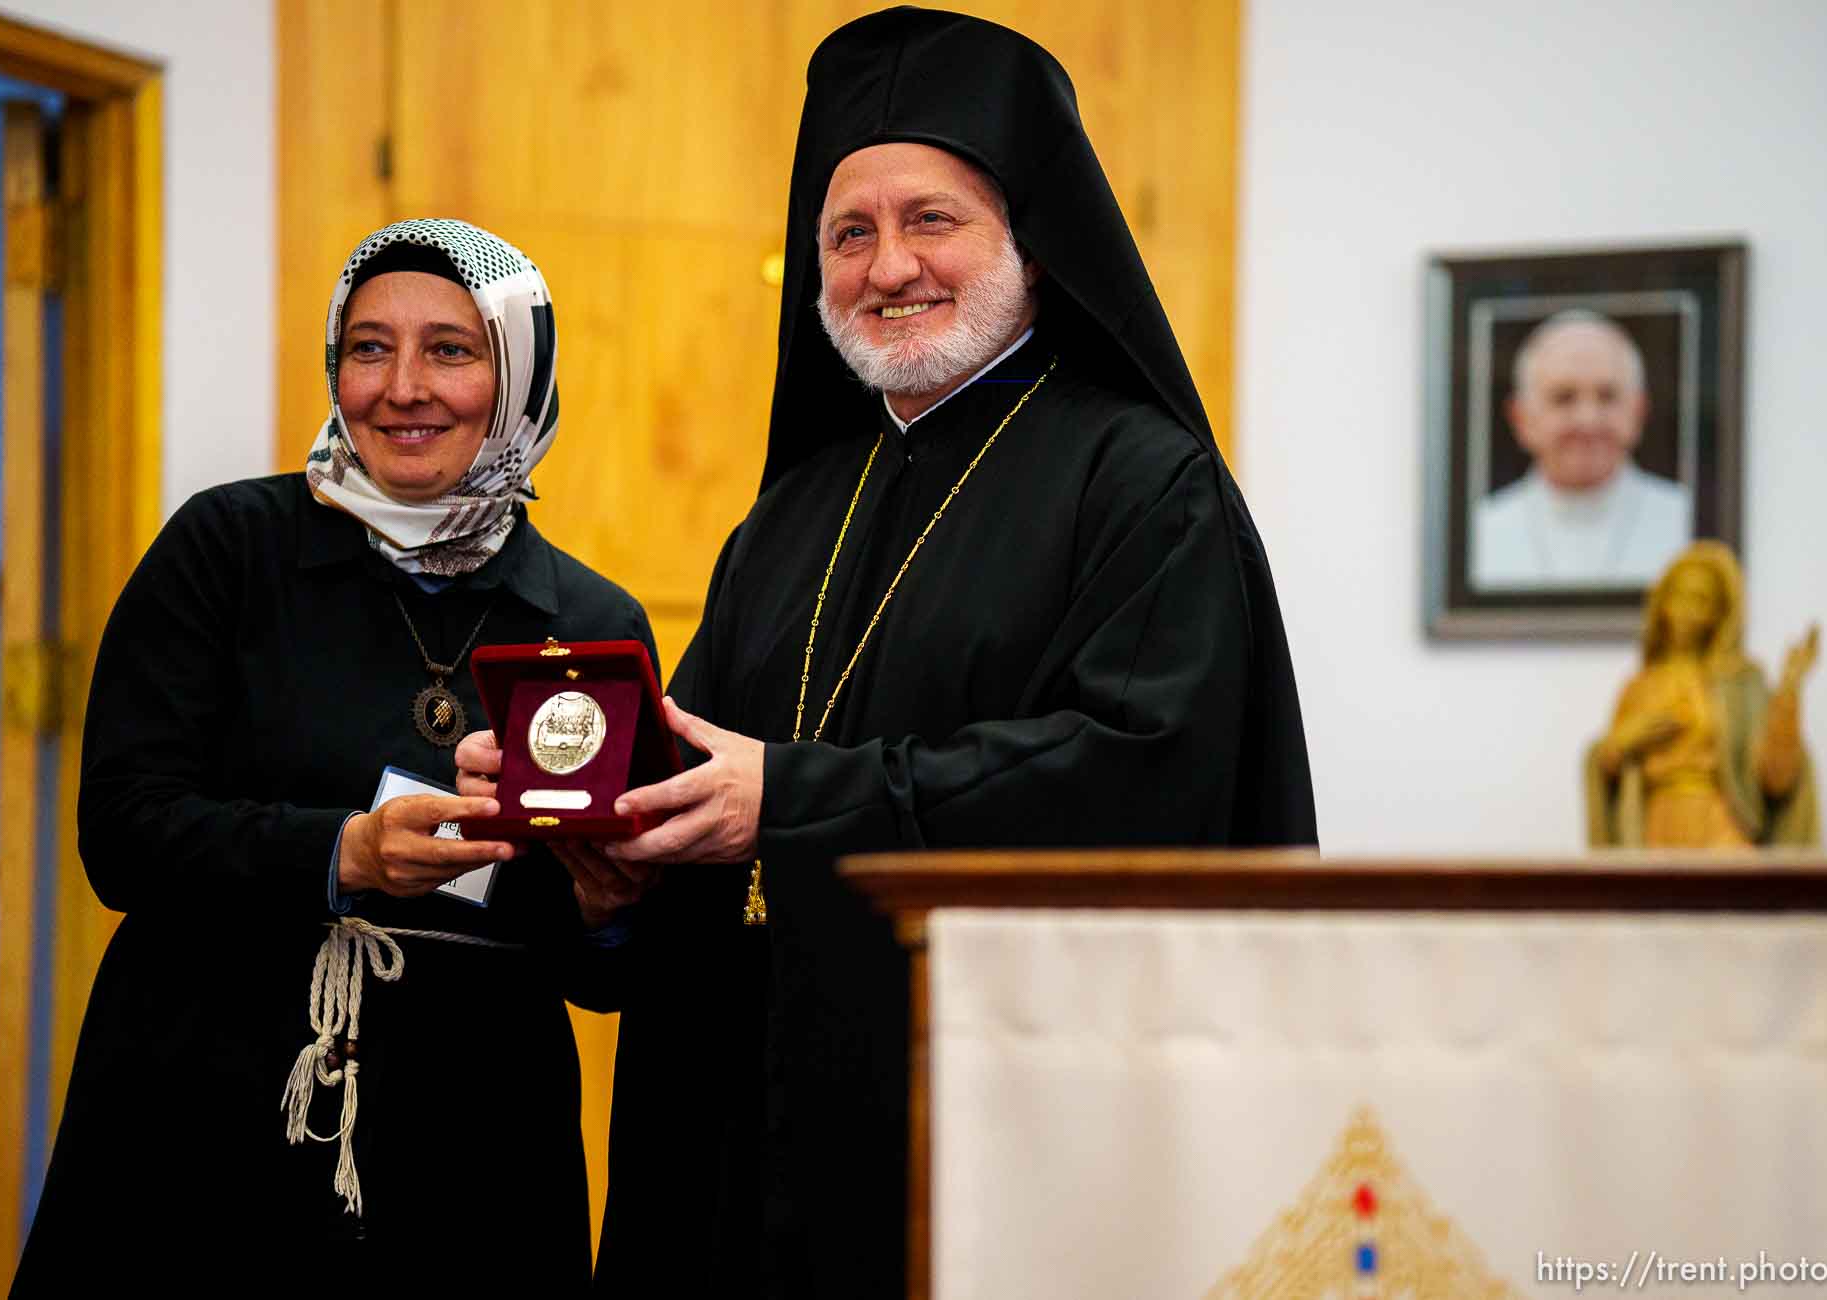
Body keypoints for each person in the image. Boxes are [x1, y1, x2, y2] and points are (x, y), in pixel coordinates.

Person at [456, 11, 1315, 1296]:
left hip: (989, 1131)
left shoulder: (1142, 483)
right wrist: (593, 847)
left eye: (933, 220)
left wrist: (789, 803)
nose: (888, 265)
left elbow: (1139, 778)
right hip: (737, 1134)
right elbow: (701, 786)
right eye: (849, 233)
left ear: (1030, 240)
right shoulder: (797, 510)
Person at [14, 219, 650, 1291]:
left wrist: (607, 906)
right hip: (204, 1114)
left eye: (452, 349)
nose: (402, 387)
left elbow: (600, 972)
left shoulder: (586, 618)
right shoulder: (228, 549)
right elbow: (120, 834)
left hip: (474, 1148)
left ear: (521, 374)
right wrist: (345, 852)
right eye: (368, 347)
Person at [1586, 540, 1819, 848]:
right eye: (1679, 595)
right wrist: (1618, 745)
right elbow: (1607, 774)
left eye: (1701, 600)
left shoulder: (1740, 682)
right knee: (1655, 893)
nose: (1687, 610)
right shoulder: (1641, 686)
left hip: (1722, 828)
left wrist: (1789, 690)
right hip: (1656, 831)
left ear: (1719, 613)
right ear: (1663, 603)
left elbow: (1777, 779)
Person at [1471, 309, 1693, 590]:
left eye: (1607, 396)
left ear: (1638, 412)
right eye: (1564, 398)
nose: (1588, 420)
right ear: (1521, 418)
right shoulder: (1480, 536)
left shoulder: (1688, 526)